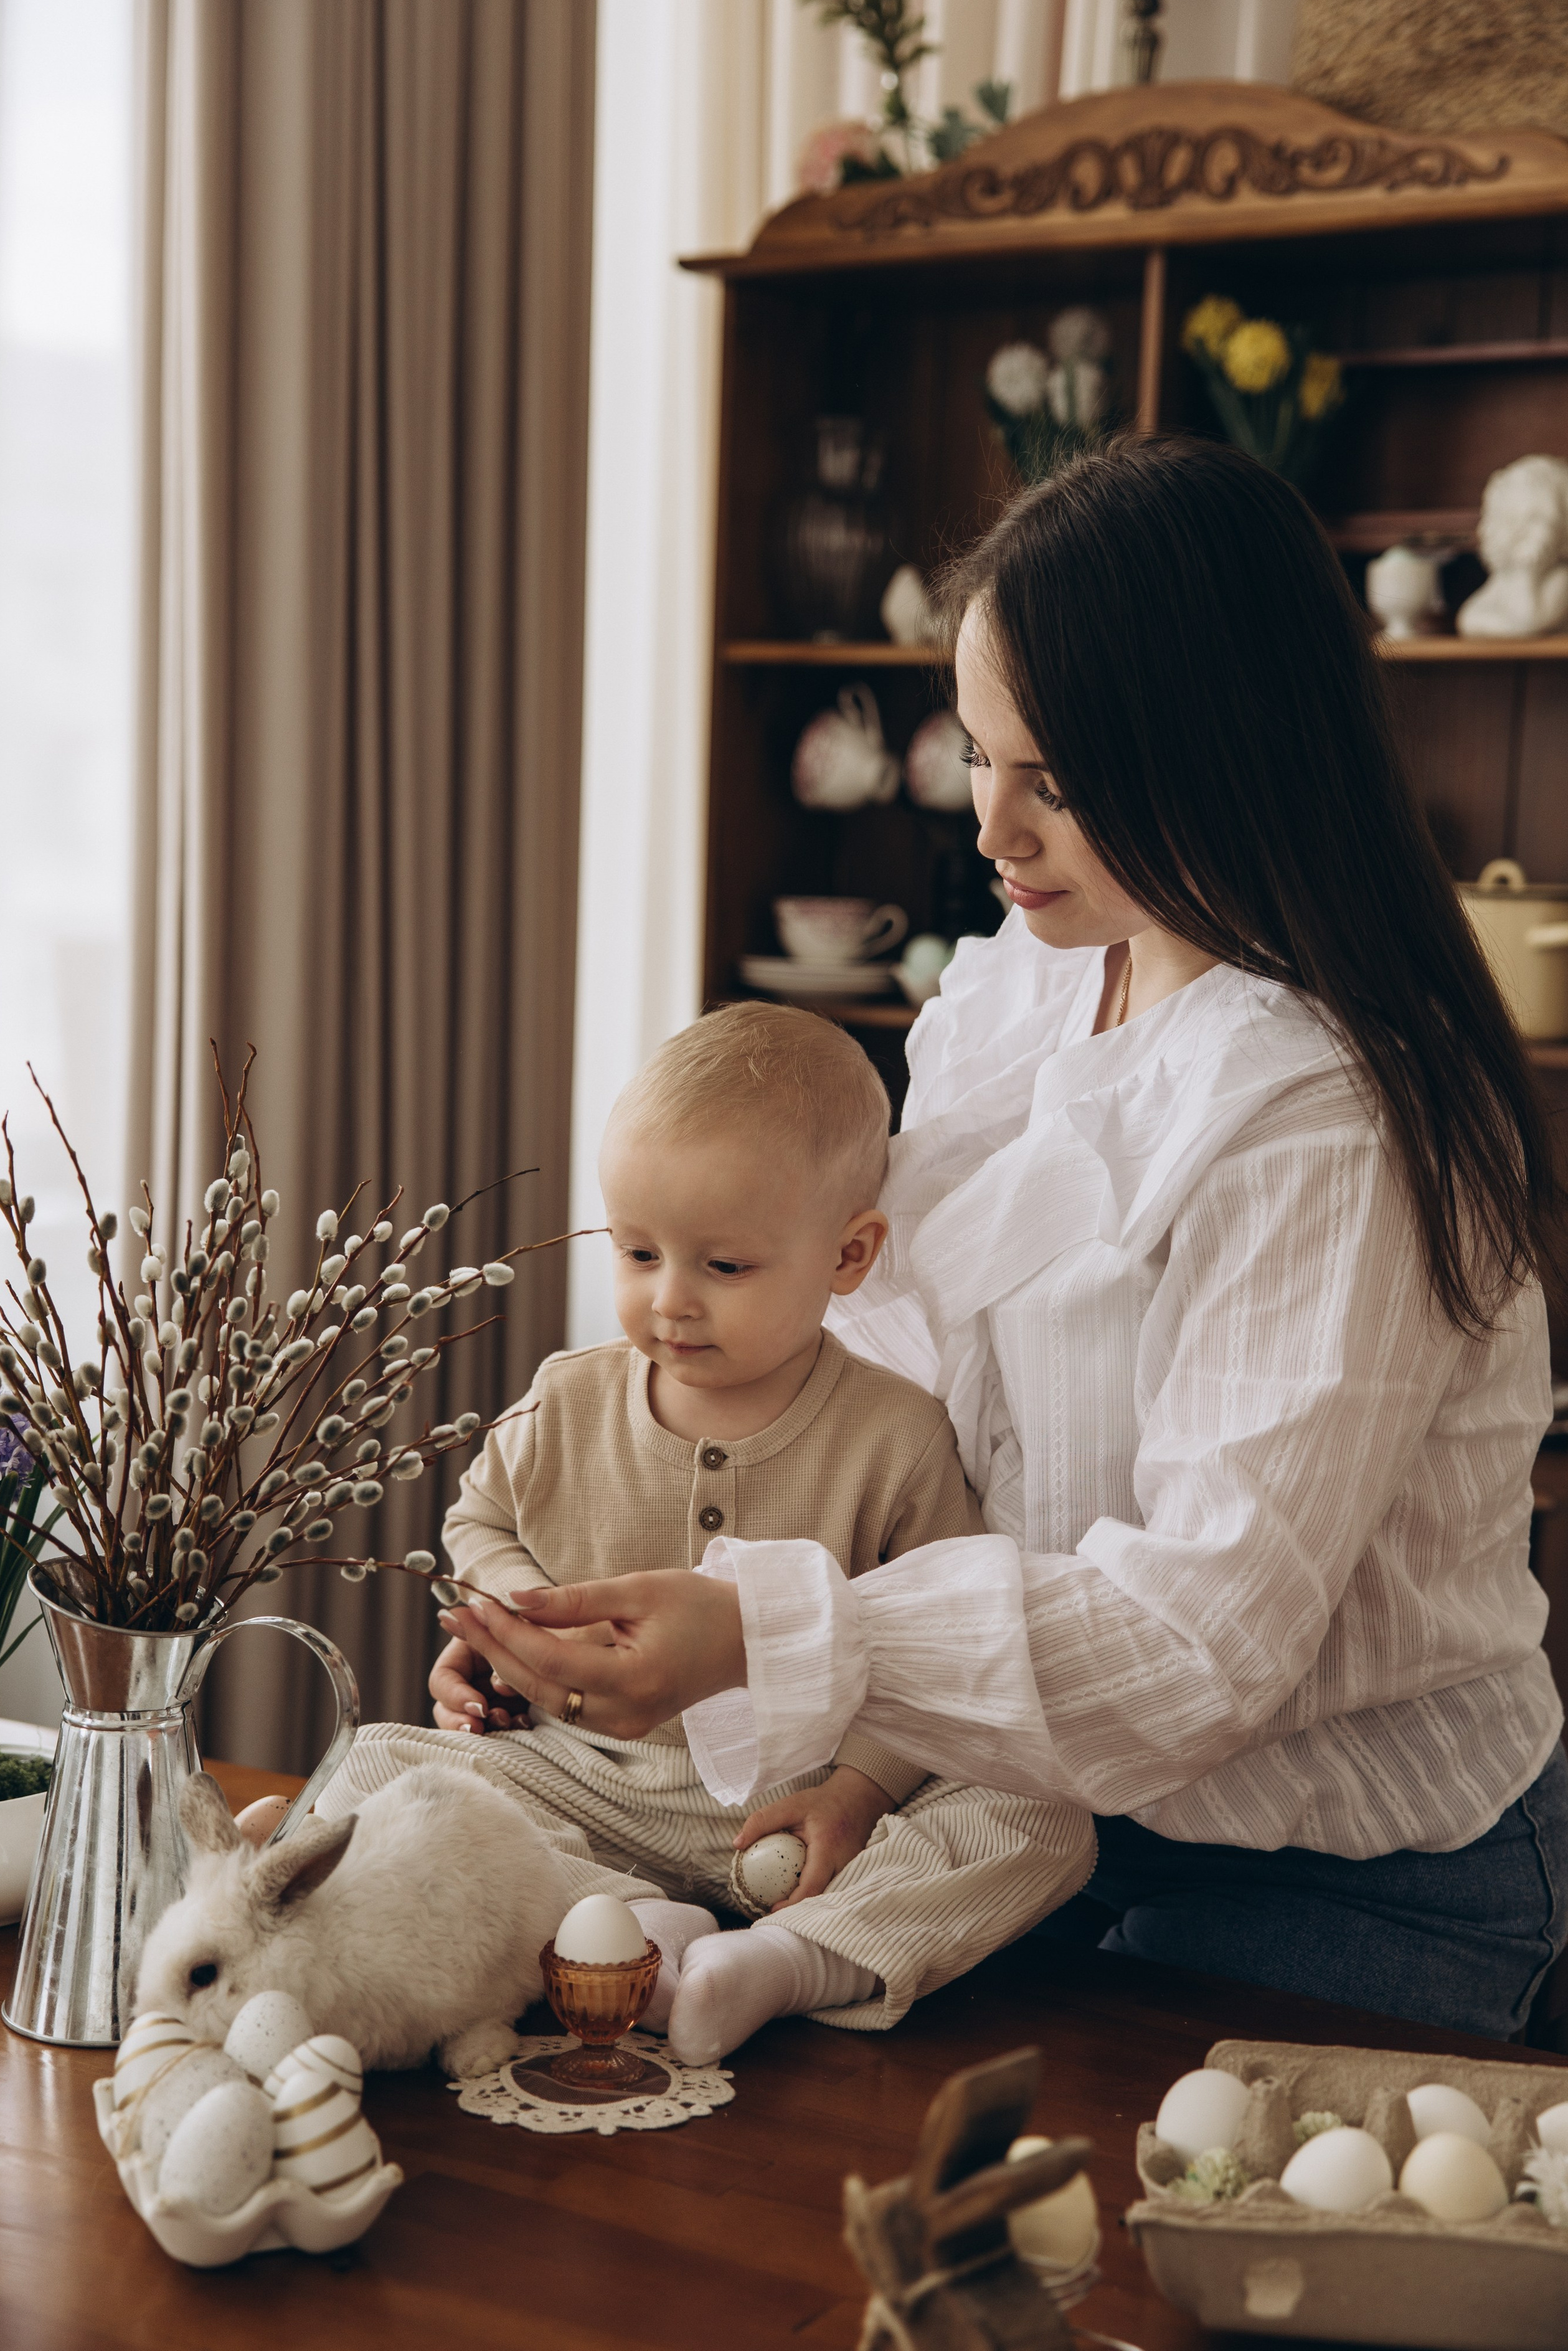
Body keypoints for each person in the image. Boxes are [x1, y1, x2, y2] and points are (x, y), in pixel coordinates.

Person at [442, 437, 1568, 2040]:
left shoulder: (1328, 1117)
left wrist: (765, 1634)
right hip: (1027, 1816)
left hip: (1351, 1874)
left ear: (1224, 755)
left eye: (1053, 779)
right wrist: (752, 1712)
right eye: (978, 754)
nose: (992, 828)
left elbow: (1193, 1644)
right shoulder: (1026, 986)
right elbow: (904, 1426)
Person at [323, 1002, 1094, 2065]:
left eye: (723, 1268)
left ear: (849, 1255)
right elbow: (480, 1518)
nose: (669, 1302)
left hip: (806, 1797)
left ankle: (788, 1963)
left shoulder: (898, 1437)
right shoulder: (568, 1399)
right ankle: (628, 1919)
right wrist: (519, 1618)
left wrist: (858, 1792)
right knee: (374, 1767)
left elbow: (944, 1661)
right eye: (638, 1253)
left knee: (1039, 1818)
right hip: (589, 1775)